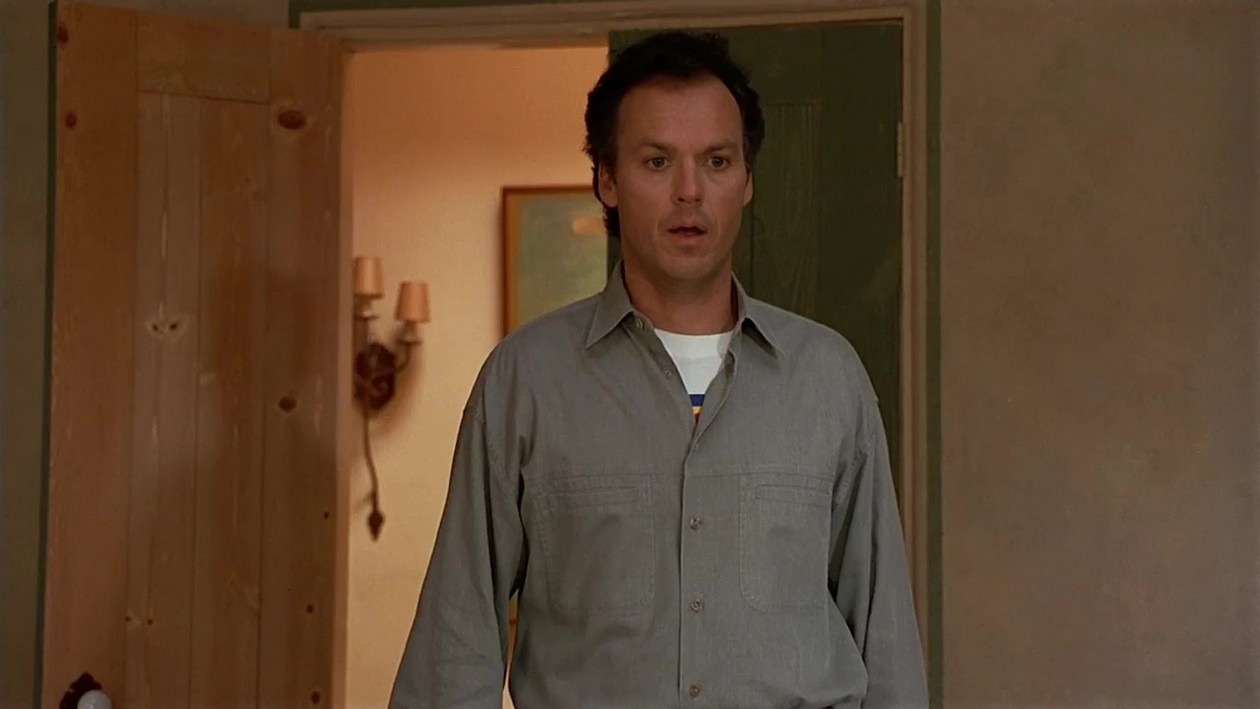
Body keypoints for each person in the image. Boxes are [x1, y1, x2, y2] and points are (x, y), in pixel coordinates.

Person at [390, 30, 927, 708]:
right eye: (656, 161)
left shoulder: (827, 379)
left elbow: (886, 644)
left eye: (717, 161)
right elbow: (455, 642)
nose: (689, 191)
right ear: (607, 180)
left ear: (747, 180)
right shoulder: (526, 382)